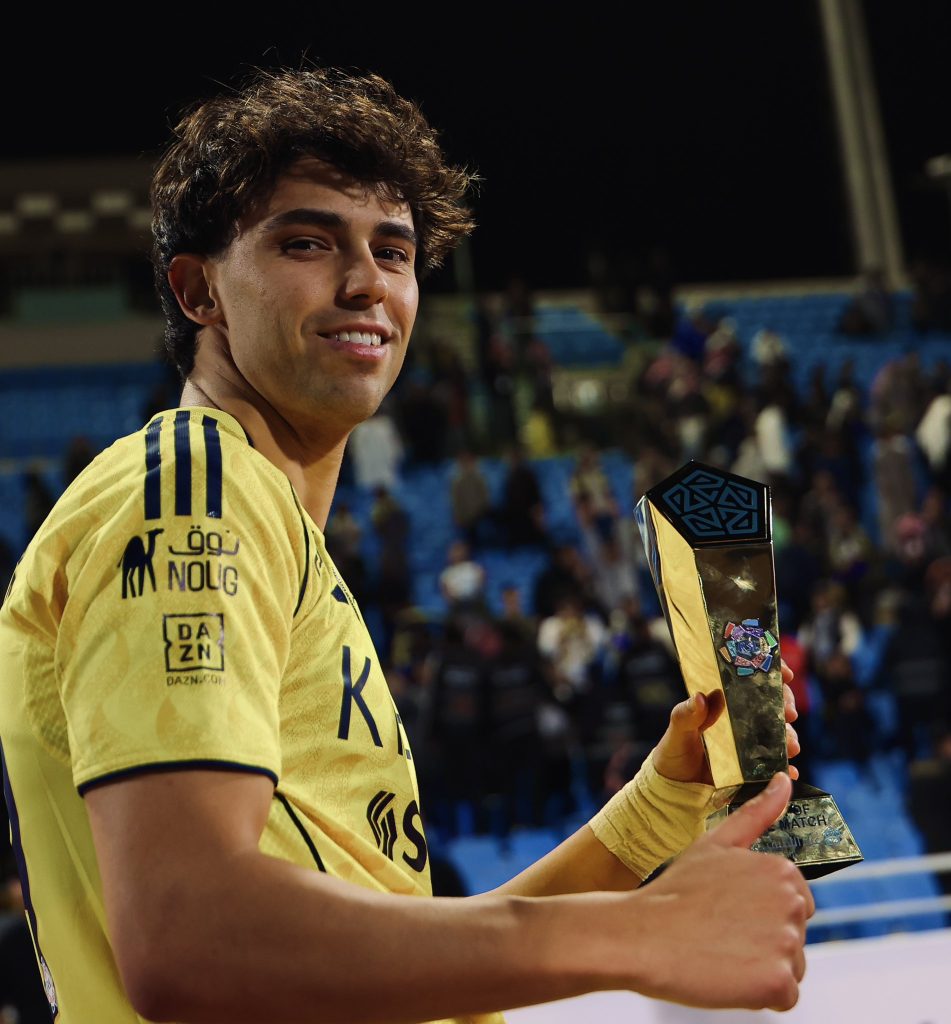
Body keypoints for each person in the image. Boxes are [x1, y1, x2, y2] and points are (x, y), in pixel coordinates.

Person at [0, 66, 811, 1024]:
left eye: (394, 251)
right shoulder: (192, 494)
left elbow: (391, 972)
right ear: (197, 290)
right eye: (306, 242)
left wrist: (651, 813)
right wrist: (638, 936)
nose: (364, 283)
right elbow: (192, 934)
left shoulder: (269, 529)